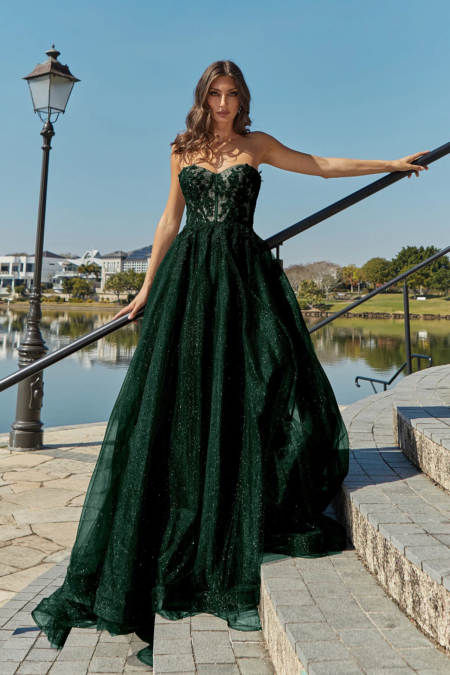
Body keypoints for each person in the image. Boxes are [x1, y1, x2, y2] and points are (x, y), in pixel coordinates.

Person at [31, 60, 429, 667]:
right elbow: (169, 220)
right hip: (189, 284)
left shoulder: (257, 145)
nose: (223, 103)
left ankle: (238, 503)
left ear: (244, 98)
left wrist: (390, 163)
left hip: (242, 283)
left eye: (232, 94)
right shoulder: (182, 147)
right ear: (203, 97)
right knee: (181, 399)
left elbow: (319, 165)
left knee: (258, 385)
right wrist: (144, 287)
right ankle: (182, 520)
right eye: (214, 94)